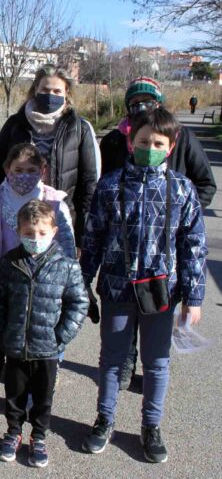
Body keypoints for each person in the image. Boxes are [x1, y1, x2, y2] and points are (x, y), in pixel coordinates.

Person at [80, 108, 207, 464]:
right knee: (111, 361)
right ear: (130, 141)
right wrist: (83, 283)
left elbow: (194, 245)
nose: (149, 147)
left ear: (170, 146)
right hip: (118, 289)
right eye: (143, 141)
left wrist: (194, 297)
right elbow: (92, 239)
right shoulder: (110, 186)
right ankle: (104, 420)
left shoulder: (182, 190)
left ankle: (151, 426)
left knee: (156, 362)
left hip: (162, 292)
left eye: (158, 143)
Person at [99, 77, 215, 389]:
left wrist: (177, 216)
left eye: (147, 100)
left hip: (163, 257)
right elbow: (102, 194)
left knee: (155, 331)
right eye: (134, 102)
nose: (141, 106)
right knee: (119, 337)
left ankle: (151, 411)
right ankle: (125, 366)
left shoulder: (180, 136)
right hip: (121, 259)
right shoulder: (112, 141)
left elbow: (205, 183)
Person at [0, 143, 78, 418]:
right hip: (1, 280)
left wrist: (66, 282)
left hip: (41, 285)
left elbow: (66, 244)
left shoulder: (54, 200)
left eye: (31, 170)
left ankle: (34, 391)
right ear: (7, 169)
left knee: (36, 337)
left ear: (42, 170)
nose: (24, 175)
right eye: (18, 170)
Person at [0, 200, 89, 468]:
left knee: (43, 397)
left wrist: (61, 336)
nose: (35, 239)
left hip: (48, 347)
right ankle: (13, 432)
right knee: (14, 395)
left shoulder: (66, 266)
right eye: (29, 233)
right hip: (15, 345)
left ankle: (39, 436)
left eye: (42, 233)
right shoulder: (9, 264)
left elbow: (79, 303)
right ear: (18, 232)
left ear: (54, 232)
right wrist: (3, 333)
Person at [0, 64, 99, 252]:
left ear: (66, 92)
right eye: (45, 89)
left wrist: (80, 235)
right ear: (35, 89)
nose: (50, 95)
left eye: (56, 90)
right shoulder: (15, 124)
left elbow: (88, 184)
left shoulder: (79, 128)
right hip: (15, 222)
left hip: (59, 220)